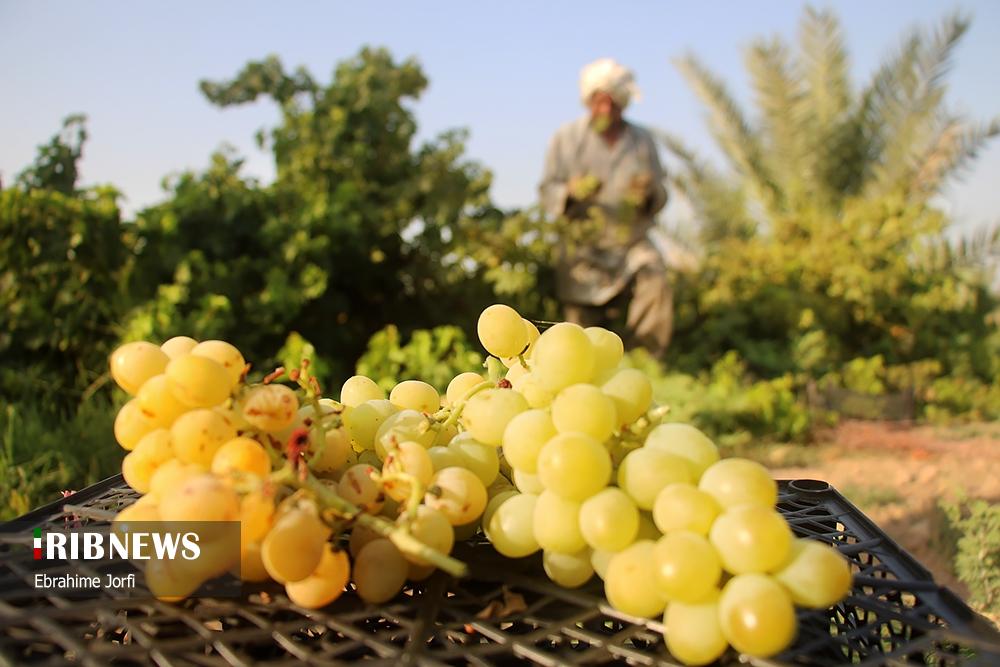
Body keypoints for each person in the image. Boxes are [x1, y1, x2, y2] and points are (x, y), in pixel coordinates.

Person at [539, 58, 673, 356]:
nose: (605, 110)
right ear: (589, 102)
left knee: (654, 274)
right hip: (582, 245)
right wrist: (570, 192)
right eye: (599, 102)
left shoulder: (642, 141)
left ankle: (644, 359)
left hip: (631, 242)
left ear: (623, 105)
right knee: (580, 336)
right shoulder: (566, 139)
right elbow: (546, 191)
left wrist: (649, 192)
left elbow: (663, 194)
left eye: (613, 104)